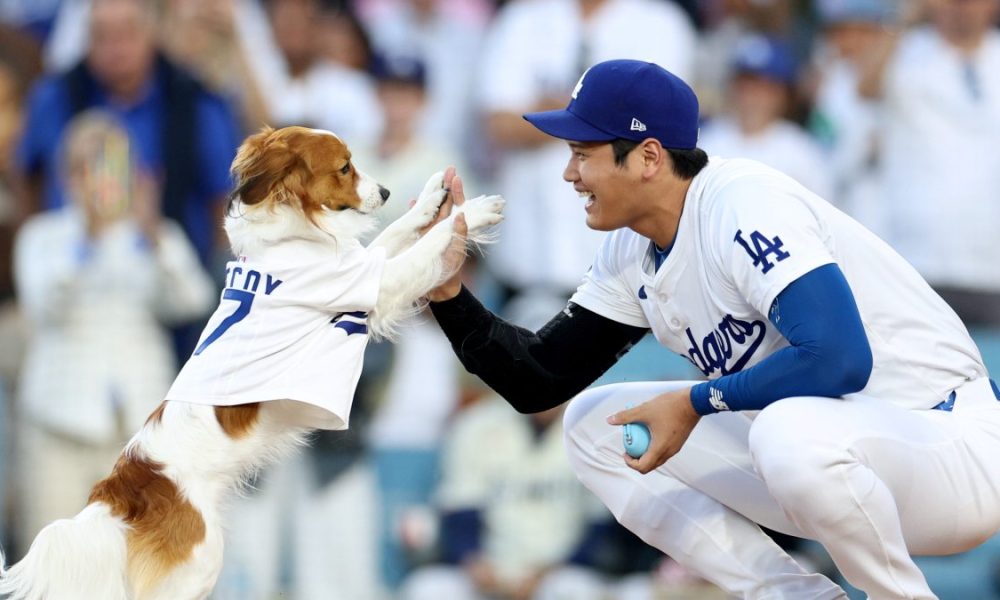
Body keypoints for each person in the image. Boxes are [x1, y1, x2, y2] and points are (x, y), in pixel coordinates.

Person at [425, 59, 1000, 599]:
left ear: (648, 157)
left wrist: (699, 401)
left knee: (787, 430)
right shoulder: (630, 251)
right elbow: (539, 380)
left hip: (948, 445)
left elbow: (838, 357)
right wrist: (449, 293)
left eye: (583, 152)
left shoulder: (740, 201)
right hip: (839, 467)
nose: (570, 173)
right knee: (594, 428)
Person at [11, 109, 215, 557]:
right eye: (87, 165)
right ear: (68, 174)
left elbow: (193, 301)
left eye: (109, 162)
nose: (97, 176)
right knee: (53, 560)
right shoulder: (44, 237)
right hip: (57, 425)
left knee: (134, 563)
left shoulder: (151, 235)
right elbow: (44, 306)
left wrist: (154, 232)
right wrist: (88, 238)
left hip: (135, 435)